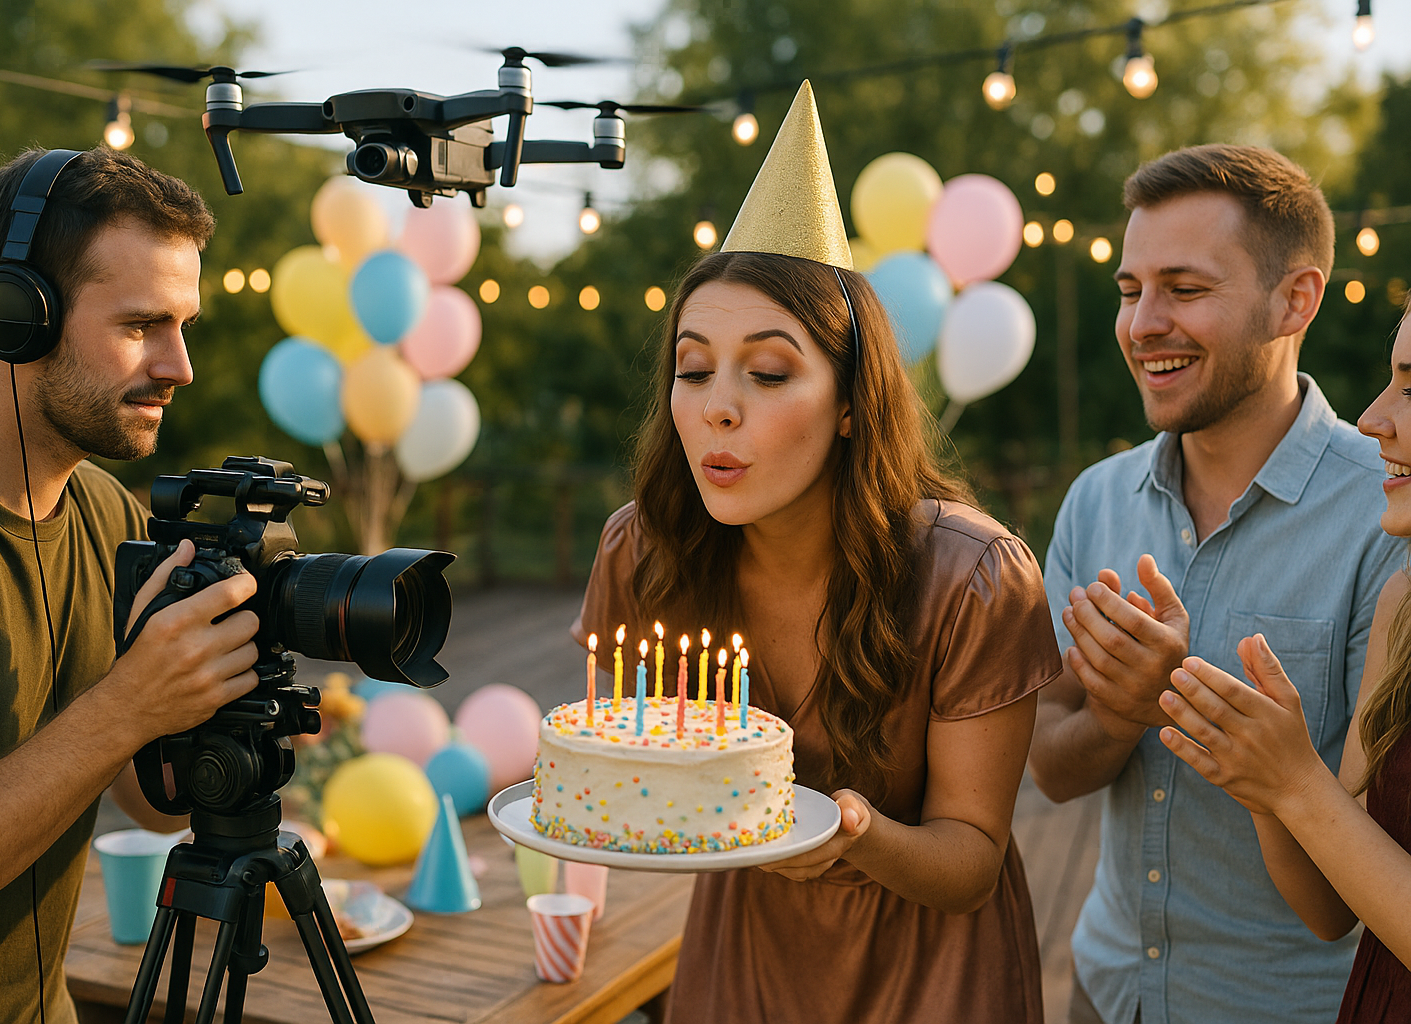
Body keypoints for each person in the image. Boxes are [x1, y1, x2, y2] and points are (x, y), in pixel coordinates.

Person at [571, 82, 1063, 1023]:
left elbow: (969, 861)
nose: (718, 405)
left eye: (766, 372)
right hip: (739, 965)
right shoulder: (643, 553)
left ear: (849, 404)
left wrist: (853, 833)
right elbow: (632, 767)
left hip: (934, 979)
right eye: (692, 368)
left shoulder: (973, 578)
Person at [0, 148, 261, 1023]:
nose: (180, 365)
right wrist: (130, 703)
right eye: (141, 325)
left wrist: (227, 705)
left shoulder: (105, 511)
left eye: (183, 323)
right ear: (19, 315)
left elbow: (146, 804)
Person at [1028, 143, 1402, 1024]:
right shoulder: (1094, 504)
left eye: (1184, 290)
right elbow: (1049, 766)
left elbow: (1357, 885)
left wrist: (1270, 766)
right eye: (1129, 290)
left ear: (1294, 300)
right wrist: (1120, 715)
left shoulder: (1384, 523)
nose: (1142, 323)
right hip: (1105, 991)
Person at [1159, 303, 1411, 1024]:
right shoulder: (1405, 604)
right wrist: (1263, 783)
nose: (1373, 419)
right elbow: (1335, 910)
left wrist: (1298, 784)